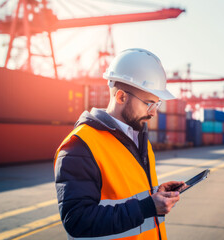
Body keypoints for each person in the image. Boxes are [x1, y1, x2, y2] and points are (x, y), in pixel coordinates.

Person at [54, 48, 185, 240]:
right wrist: (148, 207)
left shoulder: (140, 139)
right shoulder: (79, 146)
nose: (153, 113)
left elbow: (127, 192)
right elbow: (77, 220)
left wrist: (156, 193)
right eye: (149, 104)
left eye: (157, 104)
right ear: (121, 97)